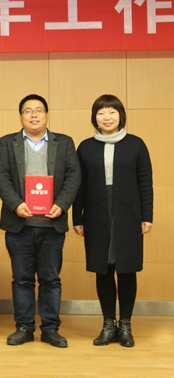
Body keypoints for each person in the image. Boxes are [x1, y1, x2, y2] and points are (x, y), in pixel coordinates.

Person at [0, 94, 81, 348]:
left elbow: (74, 176)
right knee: (22, 279)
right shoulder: (7, 142)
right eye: (28, 111)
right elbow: (0, 175)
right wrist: (15, 204)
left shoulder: (64, 142)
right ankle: (24, 327)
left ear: (47, 115)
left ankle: (51, 329)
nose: (33, 115)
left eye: (39, 110)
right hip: (19, 225)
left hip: (52, 225)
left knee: (50, 279)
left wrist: (61, 204)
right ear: (21, 116)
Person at [72, 94, 153, 348]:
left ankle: (125, 325)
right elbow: (79, 185)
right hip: (96, 213)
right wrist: (77, 217)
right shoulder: (85, 147)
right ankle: (108, 324)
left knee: (126, 269)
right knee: (103, 269)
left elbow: (145, 183)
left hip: (128, 213)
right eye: (101, 113)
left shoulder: (136, 144)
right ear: (94, 118)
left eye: (112, 112)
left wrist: (147, 216)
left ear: (121, 115)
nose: (107, 117)